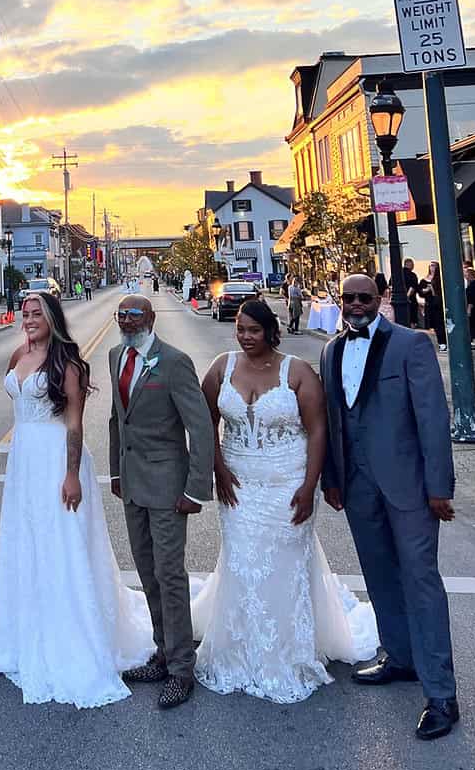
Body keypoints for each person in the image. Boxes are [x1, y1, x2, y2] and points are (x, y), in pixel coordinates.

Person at [195, 301, 378, 704]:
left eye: (253, 331)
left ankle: (287, 652)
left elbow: (317, 430)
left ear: (270, 332)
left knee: (285, 563)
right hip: (238, 483)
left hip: (287, 481)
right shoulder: (221, 367)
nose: (244, 336)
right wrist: (218, 468)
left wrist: (310, 485)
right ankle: (241, 648)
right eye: (240, 329)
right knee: (242, 562)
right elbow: (204, 418)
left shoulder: (296, 371)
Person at [0, 294, 154, 707]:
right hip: (24, 462)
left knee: (63, 546)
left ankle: (71, 635)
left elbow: (74, 423)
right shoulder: (18, 354)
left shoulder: (67, 364)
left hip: (57, 458)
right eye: (26, 314)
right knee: (28, 543)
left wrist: (72, 474)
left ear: (53, 318)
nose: (30, 320)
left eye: (38, 314)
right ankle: (26, 629)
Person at [321, 275, 459, 740]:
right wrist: (332, 480)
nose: (356, 304)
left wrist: (439, 487)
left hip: (410, 487)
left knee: (421, 580)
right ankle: (399, 657)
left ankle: (441, 694)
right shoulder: (329, 350)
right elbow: (333, 420)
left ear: (379, 300)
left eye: (364, 297)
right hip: (358, 487)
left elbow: (433, 419)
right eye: (348, 298)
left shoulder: (411, 345)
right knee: (379, 576)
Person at [109, 294, 215, 710]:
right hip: (133, 484)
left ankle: (181, 669)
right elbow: (119, 418)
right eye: (121, 315)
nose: (126, 321)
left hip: (169, 487)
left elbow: (200, 427)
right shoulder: (117, 354)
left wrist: (195, 489)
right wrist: (117, 473)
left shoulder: (174, 362)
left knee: (171, 574)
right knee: (147, 571)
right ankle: (162, 650)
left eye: (133, 315)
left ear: (150, 319)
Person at [418, 261, 446, 350]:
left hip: (438, 303)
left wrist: (432, 289)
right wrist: (425, 290)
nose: (432, 268)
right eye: (431, 266)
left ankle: (443, 342)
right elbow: (420, 292)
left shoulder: (439, 279)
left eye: (434, 266)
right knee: (432, 324)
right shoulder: (424, 279)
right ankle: (438, 342)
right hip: (429, 303)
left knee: (439, 323)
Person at [402, 259, 420, 328]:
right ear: (410, 265)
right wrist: (407, 297)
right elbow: (412, 288)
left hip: (398, 302)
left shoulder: (396, 274)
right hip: (411, 301)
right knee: (412, 321)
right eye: (412, 265)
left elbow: (390, 286)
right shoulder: (412, 275)